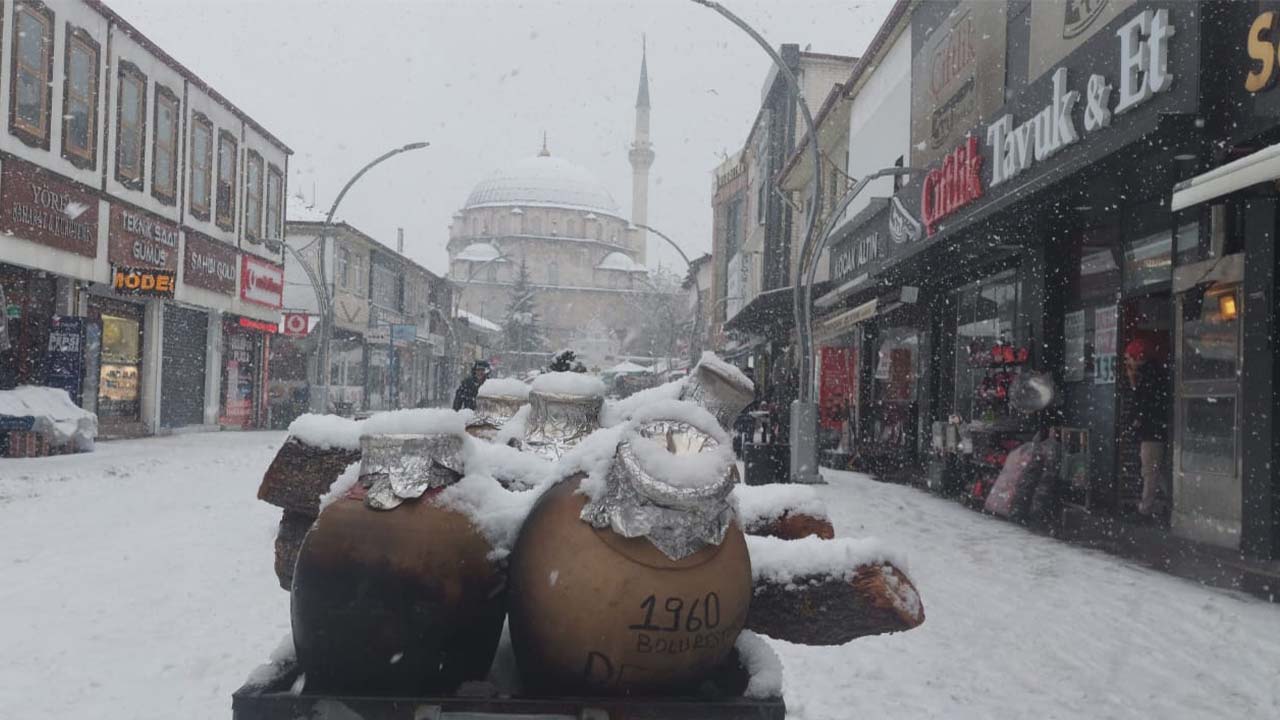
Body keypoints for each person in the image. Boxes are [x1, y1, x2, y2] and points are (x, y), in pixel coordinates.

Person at [1123, 339, 1169, 518]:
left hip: (1151, 432)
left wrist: (1137, 420)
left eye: (1129, 358)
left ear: (1138, 358)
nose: (1128, 363)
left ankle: (1146, 508)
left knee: (1150, 471)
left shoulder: (1150, 377)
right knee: (1156, 470)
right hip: (1153, 430)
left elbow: (1143, 404)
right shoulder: (1152, 375)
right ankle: (1165, 502)